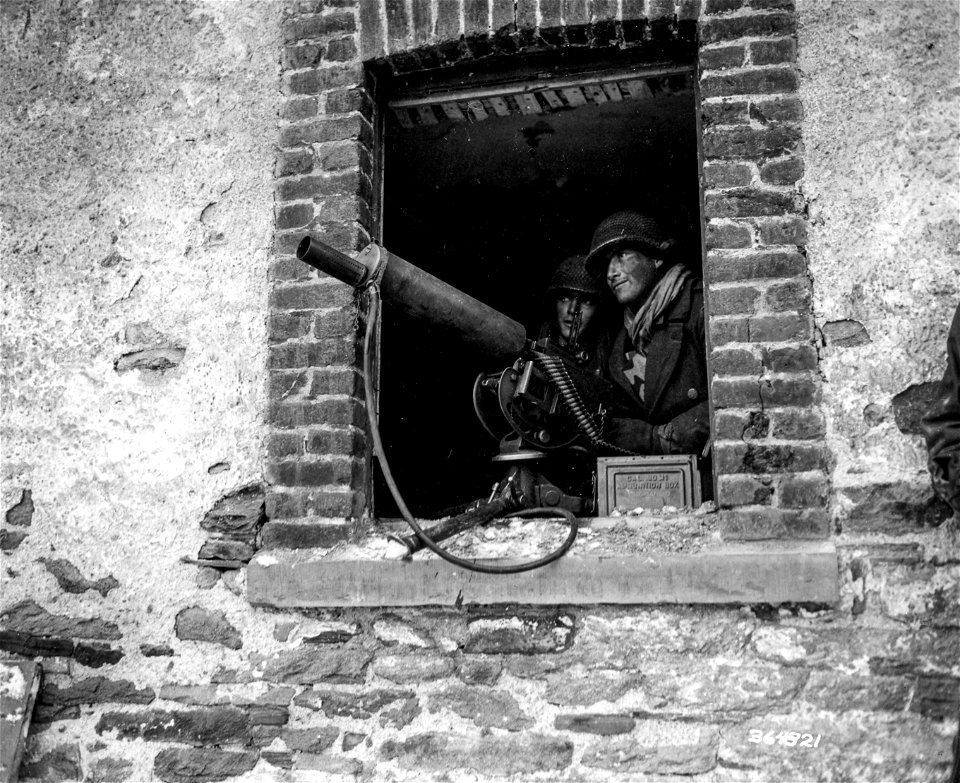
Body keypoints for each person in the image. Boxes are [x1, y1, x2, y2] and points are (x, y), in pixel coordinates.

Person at [584, 210, 710, 455]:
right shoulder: (621, 343)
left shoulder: (700, 307)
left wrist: (662, 437)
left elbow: (730, 397)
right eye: (607, 264)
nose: (611, 273)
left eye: (621, 256)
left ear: (656, 259)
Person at [538, 254, 606, 365]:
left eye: (586, 302)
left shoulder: (607, 355)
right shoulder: (540, 338)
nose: (573, 309)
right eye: (564, 298)